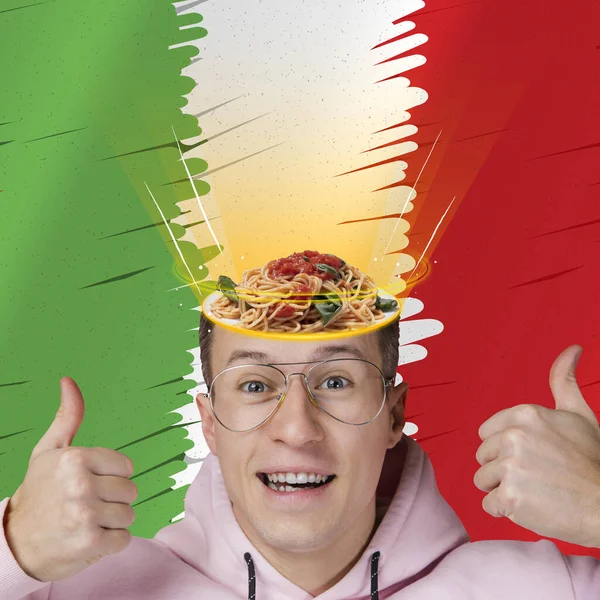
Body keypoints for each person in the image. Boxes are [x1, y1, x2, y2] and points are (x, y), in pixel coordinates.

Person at [1, 313, 600, 599]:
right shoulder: (75, 593)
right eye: (256, 385)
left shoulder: (546, 591)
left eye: (336, 381)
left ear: (393, 416)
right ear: (209, 424)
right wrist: (13, 546)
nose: (296, 428)